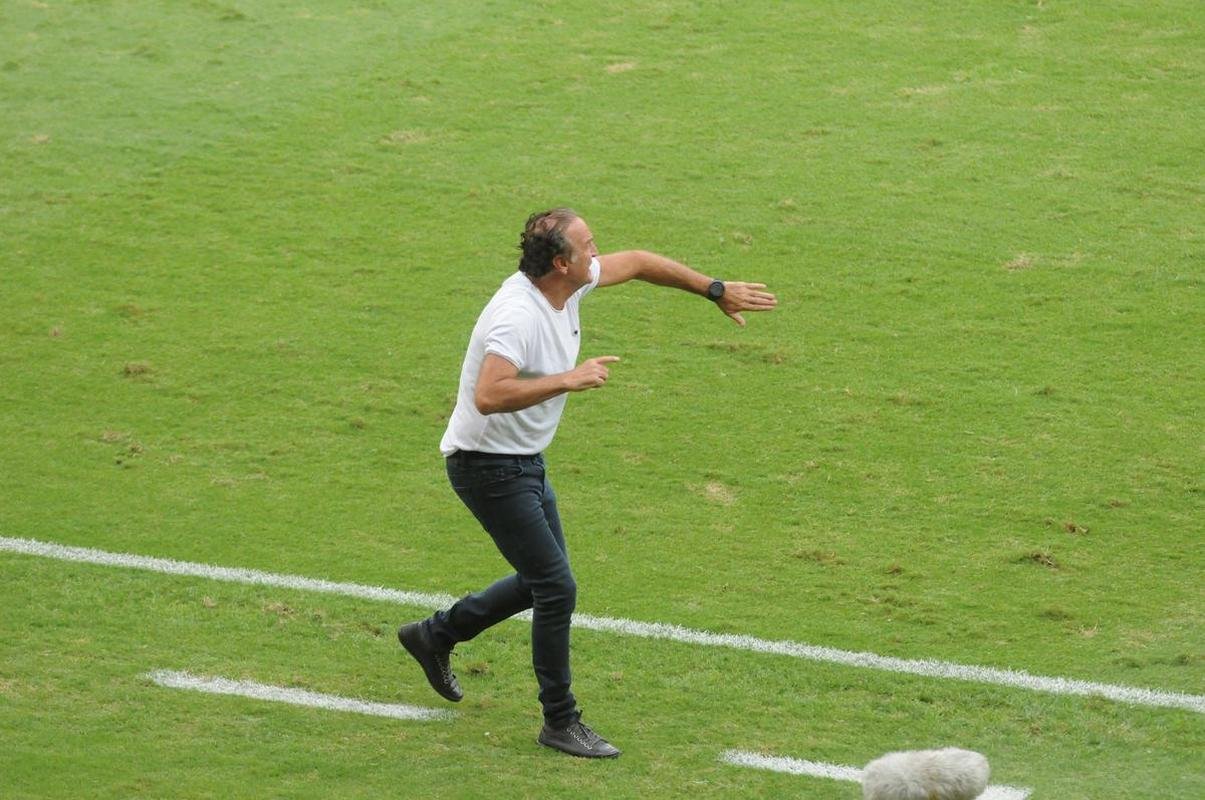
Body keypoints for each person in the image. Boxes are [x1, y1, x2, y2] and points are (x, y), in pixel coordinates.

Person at [398, 208, 777, 758]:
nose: (597, 253)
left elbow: (639, 262)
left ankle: (433, 635)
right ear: (560, 263)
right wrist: (566, 380)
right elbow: (489, 394)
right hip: (487, 466)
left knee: (540, 581)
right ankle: (559, 720)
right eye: (588, 245)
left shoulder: (569, 282)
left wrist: (714, 289)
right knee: (556, 587)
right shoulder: (515, 316)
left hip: (524, 461)